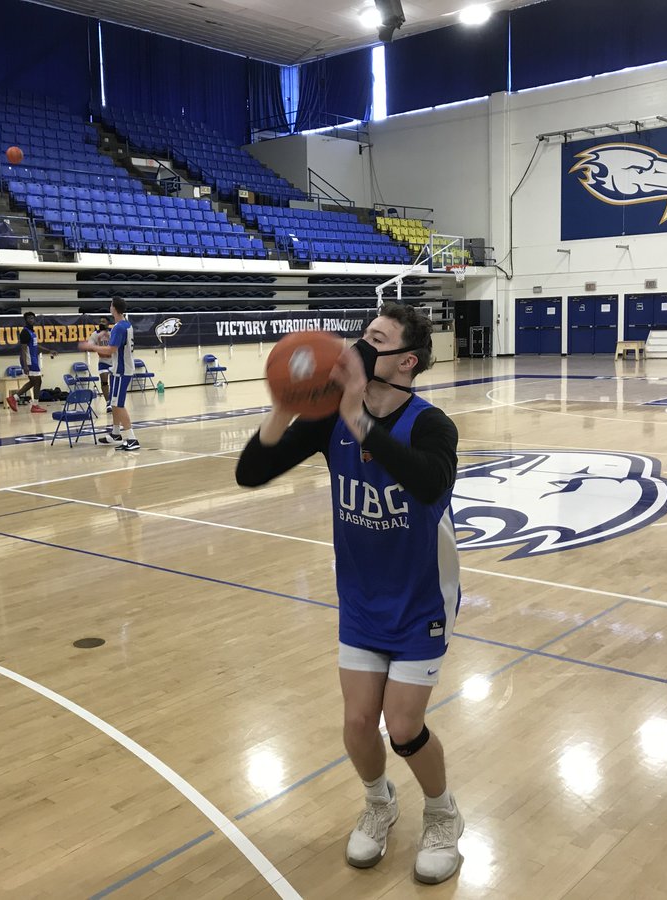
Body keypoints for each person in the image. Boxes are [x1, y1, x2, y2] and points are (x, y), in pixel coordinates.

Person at [235, 303, 464, 884]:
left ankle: (442, 815)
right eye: (362, 335)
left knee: (403, 727)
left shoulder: (432, 425)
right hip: (361, 598)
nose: (358, 349)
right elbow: (250, 472)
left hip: (421, 601)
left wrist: (358, 417)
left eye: (376, 341)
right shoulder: (331, 421)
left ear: (407, 361)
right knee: (360, 723)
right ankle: (378, 802)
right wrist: (285, 405)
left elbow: (428, 481)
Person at [79, 297, 140, 451]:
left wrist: (92, 347)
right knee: (113, 402)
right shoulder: (126, 324)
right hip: (119, 368)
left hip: (122, 370)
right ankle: (115, 433)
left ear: (114, 308)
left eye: (111, 305)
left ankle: (132, 439)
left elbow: (111, 350)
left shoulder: (119, 328)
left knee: (118, 404)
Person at [7, 311, 58, 413]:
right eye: (29, 318)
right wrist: (25, 365)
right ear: (25, 320)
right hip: (29, 360)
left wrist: (48, 351)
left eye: (32, 318)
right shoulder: (25, 332)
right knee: (37, 381)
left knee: (34, 382)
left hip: (33, 360)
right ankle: (34, 405)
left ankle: (14, 398)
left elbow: (35, 346)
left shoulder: (32, 332)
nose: (31, 320)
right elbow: (23, 349)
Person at [92, 318, 113, 412]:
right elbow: (91, 345)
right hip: (103, 361)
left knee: (114, 382)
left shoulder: (113, 332)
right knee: (104, 382)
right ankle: (108, 403)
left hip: (114, 361)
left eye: (103, 322)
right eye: (100, 321)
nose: (101, 323)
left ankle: (114, 401)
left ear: (108, 324)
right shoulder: (95, 334)